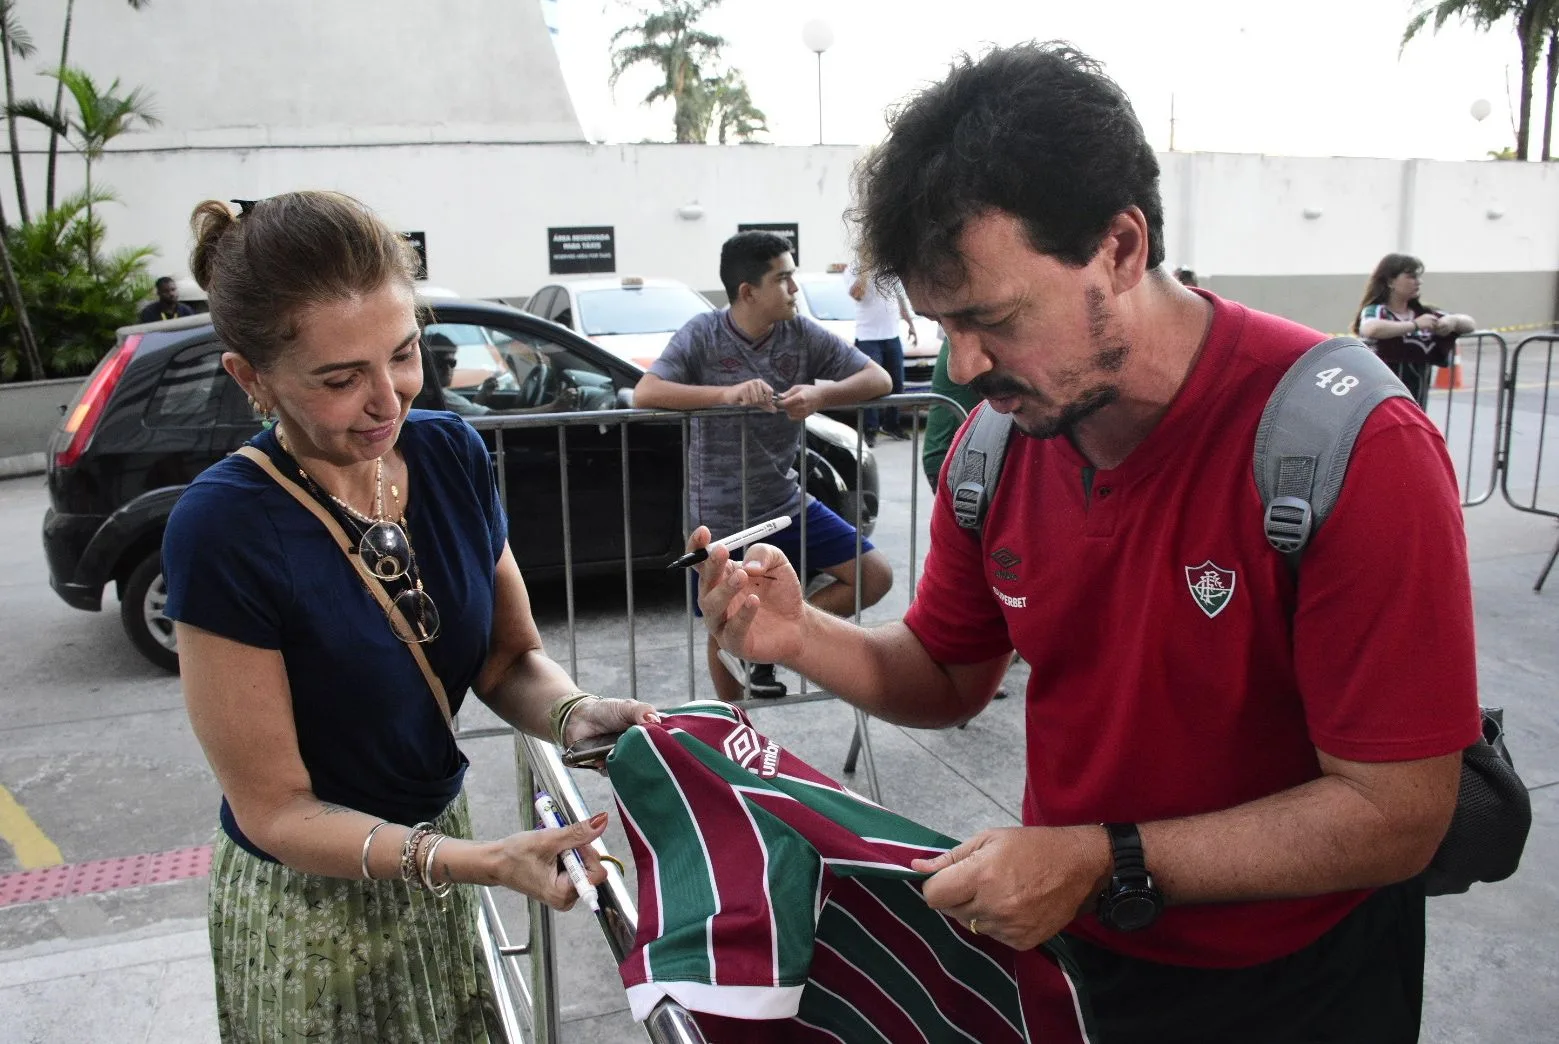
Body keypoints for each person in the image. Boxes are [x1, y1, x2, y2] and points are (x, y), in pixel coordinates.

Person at [692, 43, 1478, 1044]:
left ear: (1117, 245)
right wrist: (799, 637)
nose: (965, 367)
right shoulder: (998, 449)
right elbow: (944, 671)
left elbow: (1397, 811)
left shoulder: (1345, 447)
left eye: (992, 320)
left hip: (1301, 979)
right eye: (941, 325)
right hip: (1070, 954)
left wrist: (1100, 858)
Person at [162, 191, 657, 1041]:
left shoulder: (449, 451)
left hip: (442, 868)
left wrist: (579, 715)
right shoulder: (225, 527)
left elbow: (504, 662)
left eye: (402, 354)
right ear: (251, 377)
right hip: (311, 917)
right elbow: (275, 810)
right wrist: (477, 862)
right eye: (339, 379)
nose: (386, 399)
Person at [634, 230, 894, 702]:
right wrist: (726, 395)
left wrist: (821, 394)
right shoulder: (703, 333)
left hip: (784, 502)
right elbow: (646, 392)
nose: (796, 289)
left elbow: (877, 377)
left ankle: (776, 637)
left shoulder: (801, 333)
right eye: (784, 279)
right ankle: (734, 741)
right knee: (724, 621)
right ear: (748, 291)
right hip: (721, 513)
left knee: (873, 575)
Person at [1353, 254, 1475, 409]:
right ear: (1390, 281)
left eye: (1419, 277)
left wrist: (1453, 321)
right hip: (1383, 398)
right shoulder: (1377, 310)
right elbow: (1371, 328)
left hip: (1417, 398)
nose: (1419, 282)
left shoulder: (1423, 311)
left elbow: (1470, 324)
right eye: (1411, 277)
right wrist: (1415, 325)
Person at [847, 258, 918, 444]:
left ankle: (892, 424)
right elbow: (856, 295)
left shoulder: (890, 265)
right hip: (868, 337)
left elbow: (900, 297)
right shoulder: (854, 267)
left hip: (891, 335)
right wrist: (865, 272)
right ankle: (870, 427)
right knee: (871, 384)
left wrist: (910, 325)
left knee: (897, 383)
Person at [426, 331, 492, 416]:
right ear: (431, 364)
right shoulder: (444, 397)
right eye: (444, 363)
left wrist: (484, 393)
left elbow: (468, 410)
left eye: (453, 363)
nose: (450, 368)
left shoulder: (435, 394)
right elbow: (489, 415)